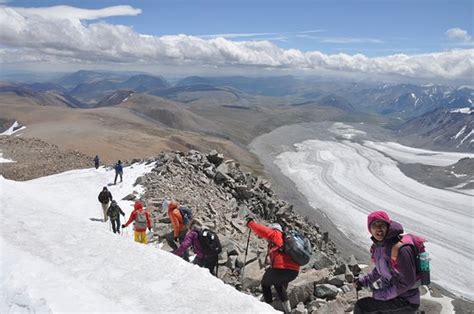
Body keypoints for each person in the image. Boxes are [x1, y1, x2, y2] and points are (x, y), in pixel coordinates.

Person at [353, 211, 420, 314]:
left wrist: (380, 295)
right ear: (370, 229)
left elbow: (408, 282)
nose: (379, 229)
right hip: (392, 296)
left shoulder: (401, 249)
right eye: (374, 225)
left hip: (406, 301)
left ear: (388, 226)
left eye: (382, 224)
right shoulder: (379, 246)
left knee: (362, 307)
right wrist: (364, 281)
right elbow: (380, 270)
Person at [246, 217, 299, 314]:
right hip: (294, 271)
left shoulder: (275, 233)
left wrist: (251, 224)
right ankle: (288, 311)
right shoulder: (285, 239)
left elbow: (262, 231)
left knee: (265, 284)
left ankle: (269, 310)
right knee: (278, 285)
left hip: (282, 268)